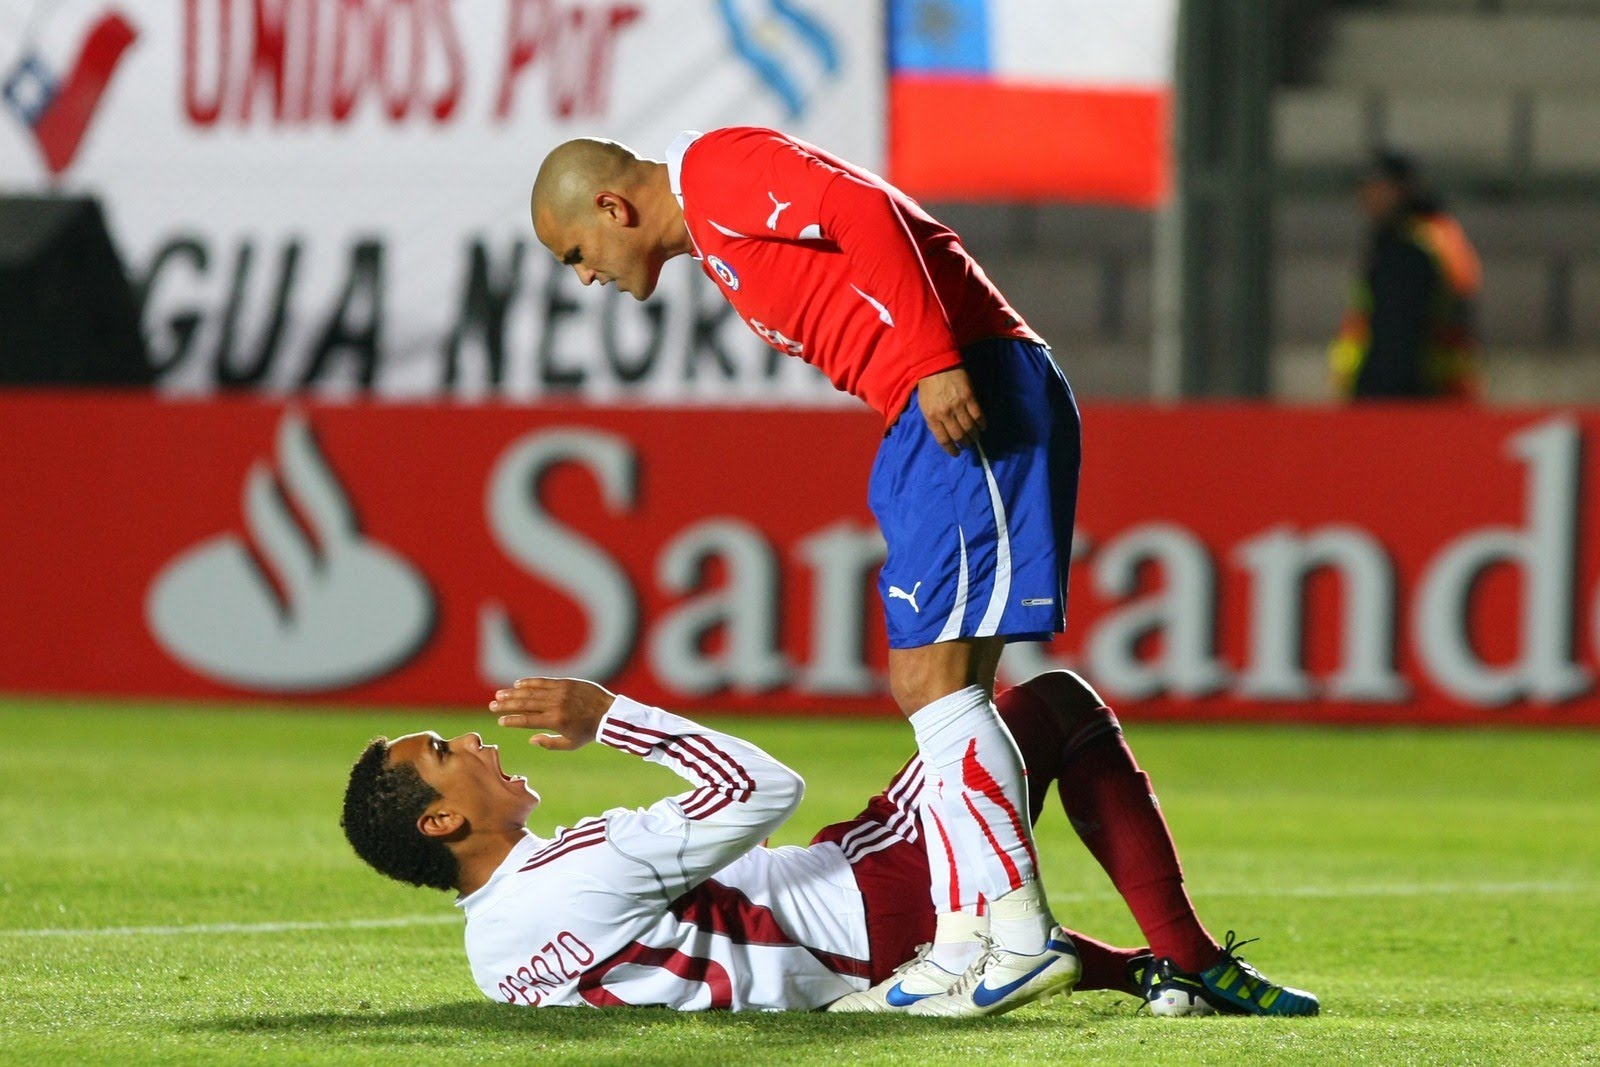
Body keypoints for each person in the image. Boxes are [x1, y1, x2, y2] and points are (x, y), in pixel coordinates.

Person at [527, 127, 1084, 1015]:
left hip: (958, 386)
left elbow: (864, 210)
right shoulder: (715, 243)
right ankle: (964, 940)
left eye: (576, 255)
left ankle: (1018, 933)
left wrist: (936, 362)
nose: (585, 275)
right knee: (954, 683)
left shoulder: (715, 169)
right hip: (929, 405)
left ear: (611, 206)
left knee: (929, 681)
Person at [340, 670, 1318, 1017]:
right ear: (440, 821)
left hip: (824, 955)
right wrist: (614, 717)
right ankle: (1190, 958)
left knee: (892, 823)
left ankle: (1149, 975)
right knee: (1043, 706)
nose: (471, 738)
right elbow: (762, 786)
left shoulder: (490, 953)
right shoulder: (587, 860)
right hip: (857, 903)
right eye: (442, 751)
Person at [1329, 149, 1482, 400]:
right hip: (1436, 396)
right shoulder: (1433, 236)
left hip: (1408, 398)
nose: (1367, 198)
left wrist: (1376, 396)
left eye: (1377, 188)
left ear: (1401, 191)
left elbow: (1397, 335)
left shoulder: (1407, 249)